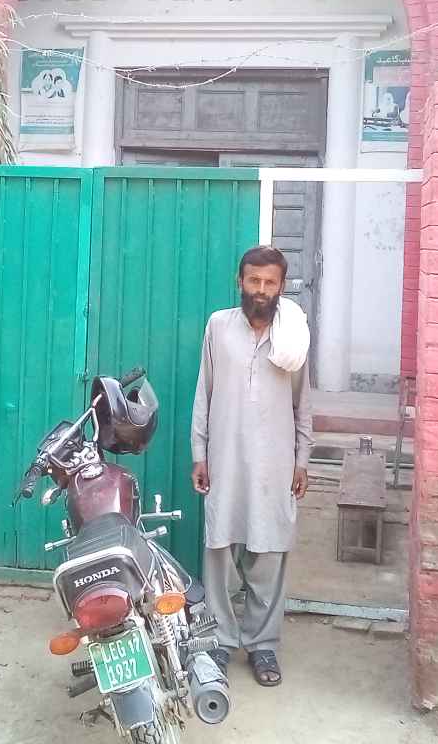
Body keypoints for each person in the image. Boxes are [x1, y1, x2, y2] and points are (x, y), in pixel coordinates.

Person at [190, 244, 312, 689]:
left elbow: (303, 402)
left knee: (269, 555)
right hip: (225, 459)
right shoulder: (218, 327)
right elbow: (203, 393)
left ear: (281, 287)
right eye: (254, 280)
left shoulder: (292, 336)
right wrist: (199, 454)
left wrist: (302, 459)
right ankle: (220, 641)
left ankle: (263, 643)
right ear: (239, 281)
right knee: (219, 552)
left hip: (275, 463)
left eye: (270, 283)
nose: (261, 290)